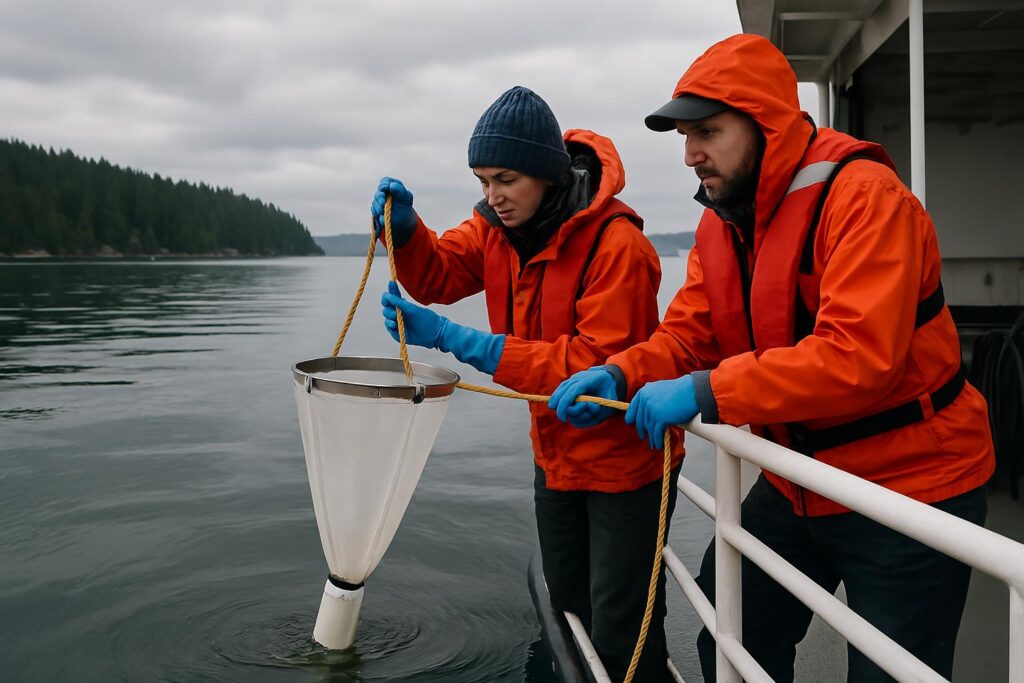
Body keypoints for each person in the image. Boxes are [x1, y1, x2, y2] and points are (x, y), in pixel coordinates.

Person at [549, 34, 996, 682]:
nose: (690, 154)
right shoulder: (722, 223)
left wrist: (703, 392)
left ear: (766, 127)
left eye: (706, 132)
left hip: (911, 484)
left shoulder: (866, 198)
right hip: (799, 480)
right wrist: (621, 372)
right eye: (685, 136)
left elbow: (856, 355)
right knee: (730, 633)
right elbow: (688, 335)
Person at [372, 85, 684, 681]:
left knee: (623, 630)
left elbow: (594, 364)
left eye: (506, 180)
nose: (492, 196)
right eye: (483, 181)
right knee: (566, 609)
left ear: (545, 173)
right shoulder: (494, 229)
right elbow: (439, 273)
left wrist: (456, 339)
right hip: (556, 459)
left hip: (627, 467)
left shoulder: (618, 244)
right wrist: (406, 232)